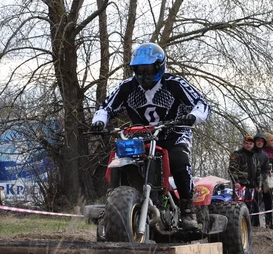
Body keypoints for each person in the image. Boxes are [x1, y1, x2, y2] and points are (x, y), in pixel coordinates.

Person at [90, 43, 210, 229]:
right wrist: (99, 121)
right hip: (141, 136)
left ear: (159, 66)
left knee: (179, 160)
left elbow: (202, 104)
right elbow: (105, 107)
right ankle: (113, 199)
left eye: (148, 69)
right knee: (118, 157)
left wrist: (193, 117)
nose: (144, 74)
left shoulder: (174, 84)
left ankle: (187, 208)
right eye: (140, 69)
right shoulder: (127, 87)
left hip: (174, 133)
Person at [229, 135, 262, 227]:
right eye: (246, 143)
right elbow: (232, 169)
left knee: (249, 206)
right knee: (238, 206)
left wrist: (259, 185)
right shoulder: (236, 154)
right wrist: (236, 181)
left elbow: (258, 171)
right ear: (243, 144)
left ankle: (248, 226)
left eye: (250, 144)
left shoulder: (254, 156)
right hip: (240, 185)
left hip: (251, 185)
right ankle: (237, 226)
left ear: (253, 145)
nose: (248, 145)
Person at [253, 132, 273, 229]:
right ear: (255, 141)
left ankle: (269, 224)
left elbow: (266, 170)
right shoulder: (250, 152)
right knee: (254, 202)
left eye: (262, 141)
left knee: (268, 201)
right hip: (250, 181)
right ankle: (255, 224)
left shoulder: (265, 156)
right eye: (258, 141)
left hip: (263, 181)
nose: (260, 143)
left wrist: (260, 179)